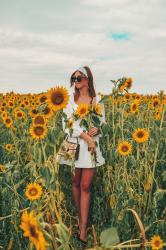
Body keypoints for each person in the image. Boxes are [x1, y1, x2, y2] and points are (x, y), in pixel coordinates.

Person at [58, 66, 106, 246]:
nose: (76, 82)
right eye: (74, 79)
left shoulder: (97, 100)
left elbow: (102, 123)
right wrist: (87, 137)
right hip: (74, 145)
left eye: (79, 78)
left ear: (88, 79)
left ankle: (83, 228)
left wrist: (98, 130)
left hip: (91, 148)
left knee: (86, 185)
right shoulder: (69, 100)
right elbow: (67, 126)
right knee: (75, 183)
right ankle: (80, 218)